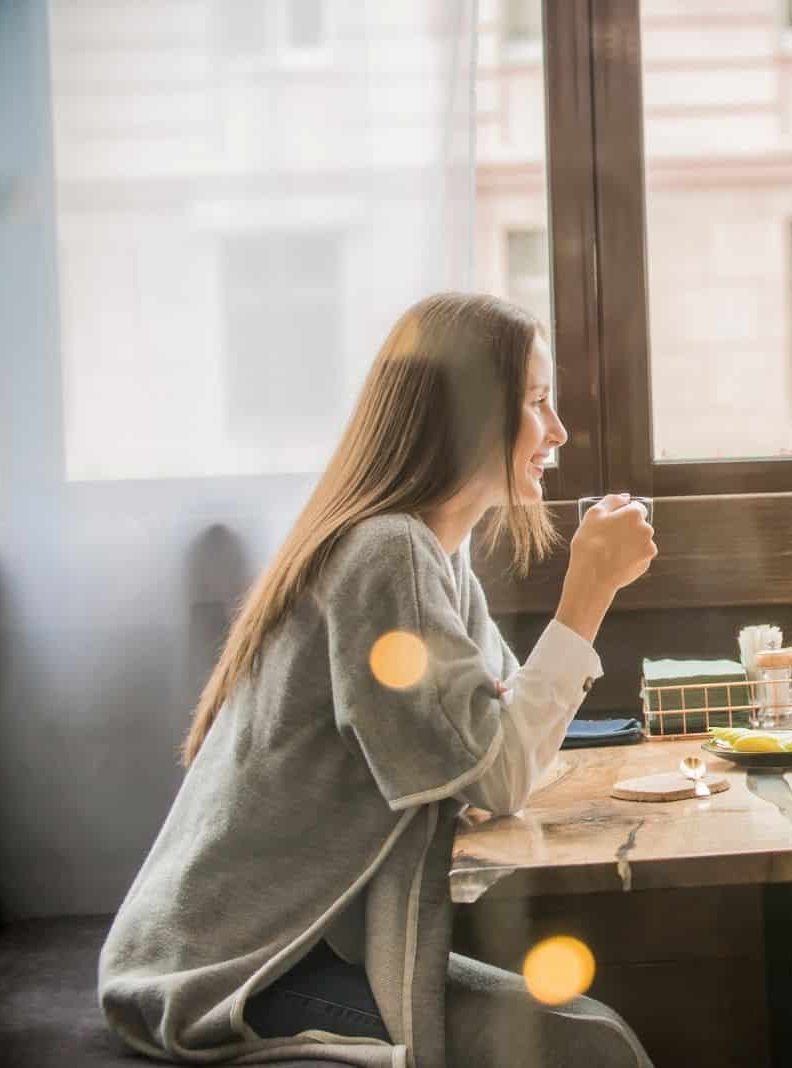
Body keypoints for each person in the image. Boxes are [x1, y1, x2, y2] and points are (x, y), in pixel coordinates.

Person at [99, 293, 657, 1068]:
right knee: (587, 1047)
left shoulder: (433, 554)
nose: (557, 431)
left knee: (593, 1037)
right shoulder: (387, 555)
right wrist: (589, 592)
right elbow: (499, 774)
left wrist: (501, 738)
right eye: (535, 402)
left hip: (303, 939)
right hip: (233, 968)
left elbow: (498, 740)